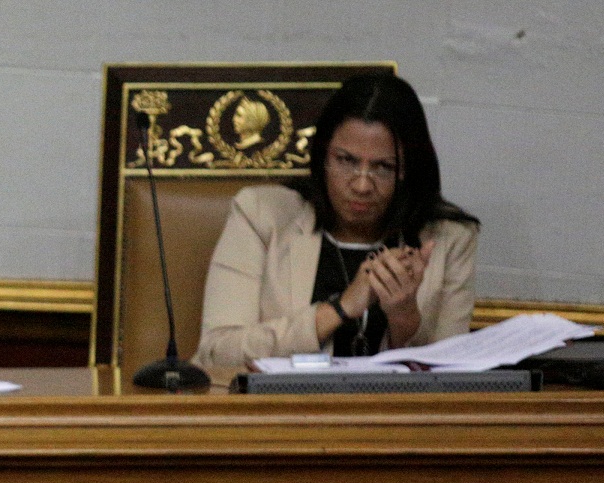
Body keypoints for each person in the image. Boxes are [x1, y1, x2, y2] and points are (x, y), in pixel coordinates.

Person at [194, 73, 479, 368]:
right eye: (347, 161)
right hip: (279, 412)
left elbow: (451, 380)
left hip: (391, 414)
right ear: (323, 157)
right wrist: (339, 310)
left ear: (408, 170)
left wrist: (404, 317)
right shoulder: (262, 215)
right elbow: (217, 353)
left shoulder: (449, 238)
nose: (362, 186)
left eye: (383, 167)